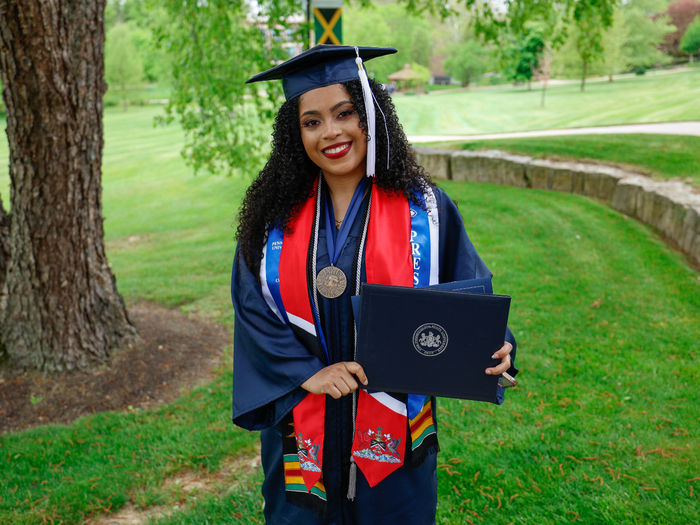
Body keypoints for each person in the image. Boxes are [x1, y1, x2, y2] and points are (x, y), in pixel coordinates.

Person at [231, 44, 518, 525]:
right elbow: (250, 309)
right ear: (293, 133)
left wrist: (499, 345)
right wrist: (307, 372)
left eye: (345, 113)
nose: (332, 133)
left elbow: (469, 293)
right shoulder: (271, 219)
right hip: (302, 432)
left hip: (398, 433)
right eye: (312, 121)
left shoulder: (423, 210)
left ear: (371, 116)